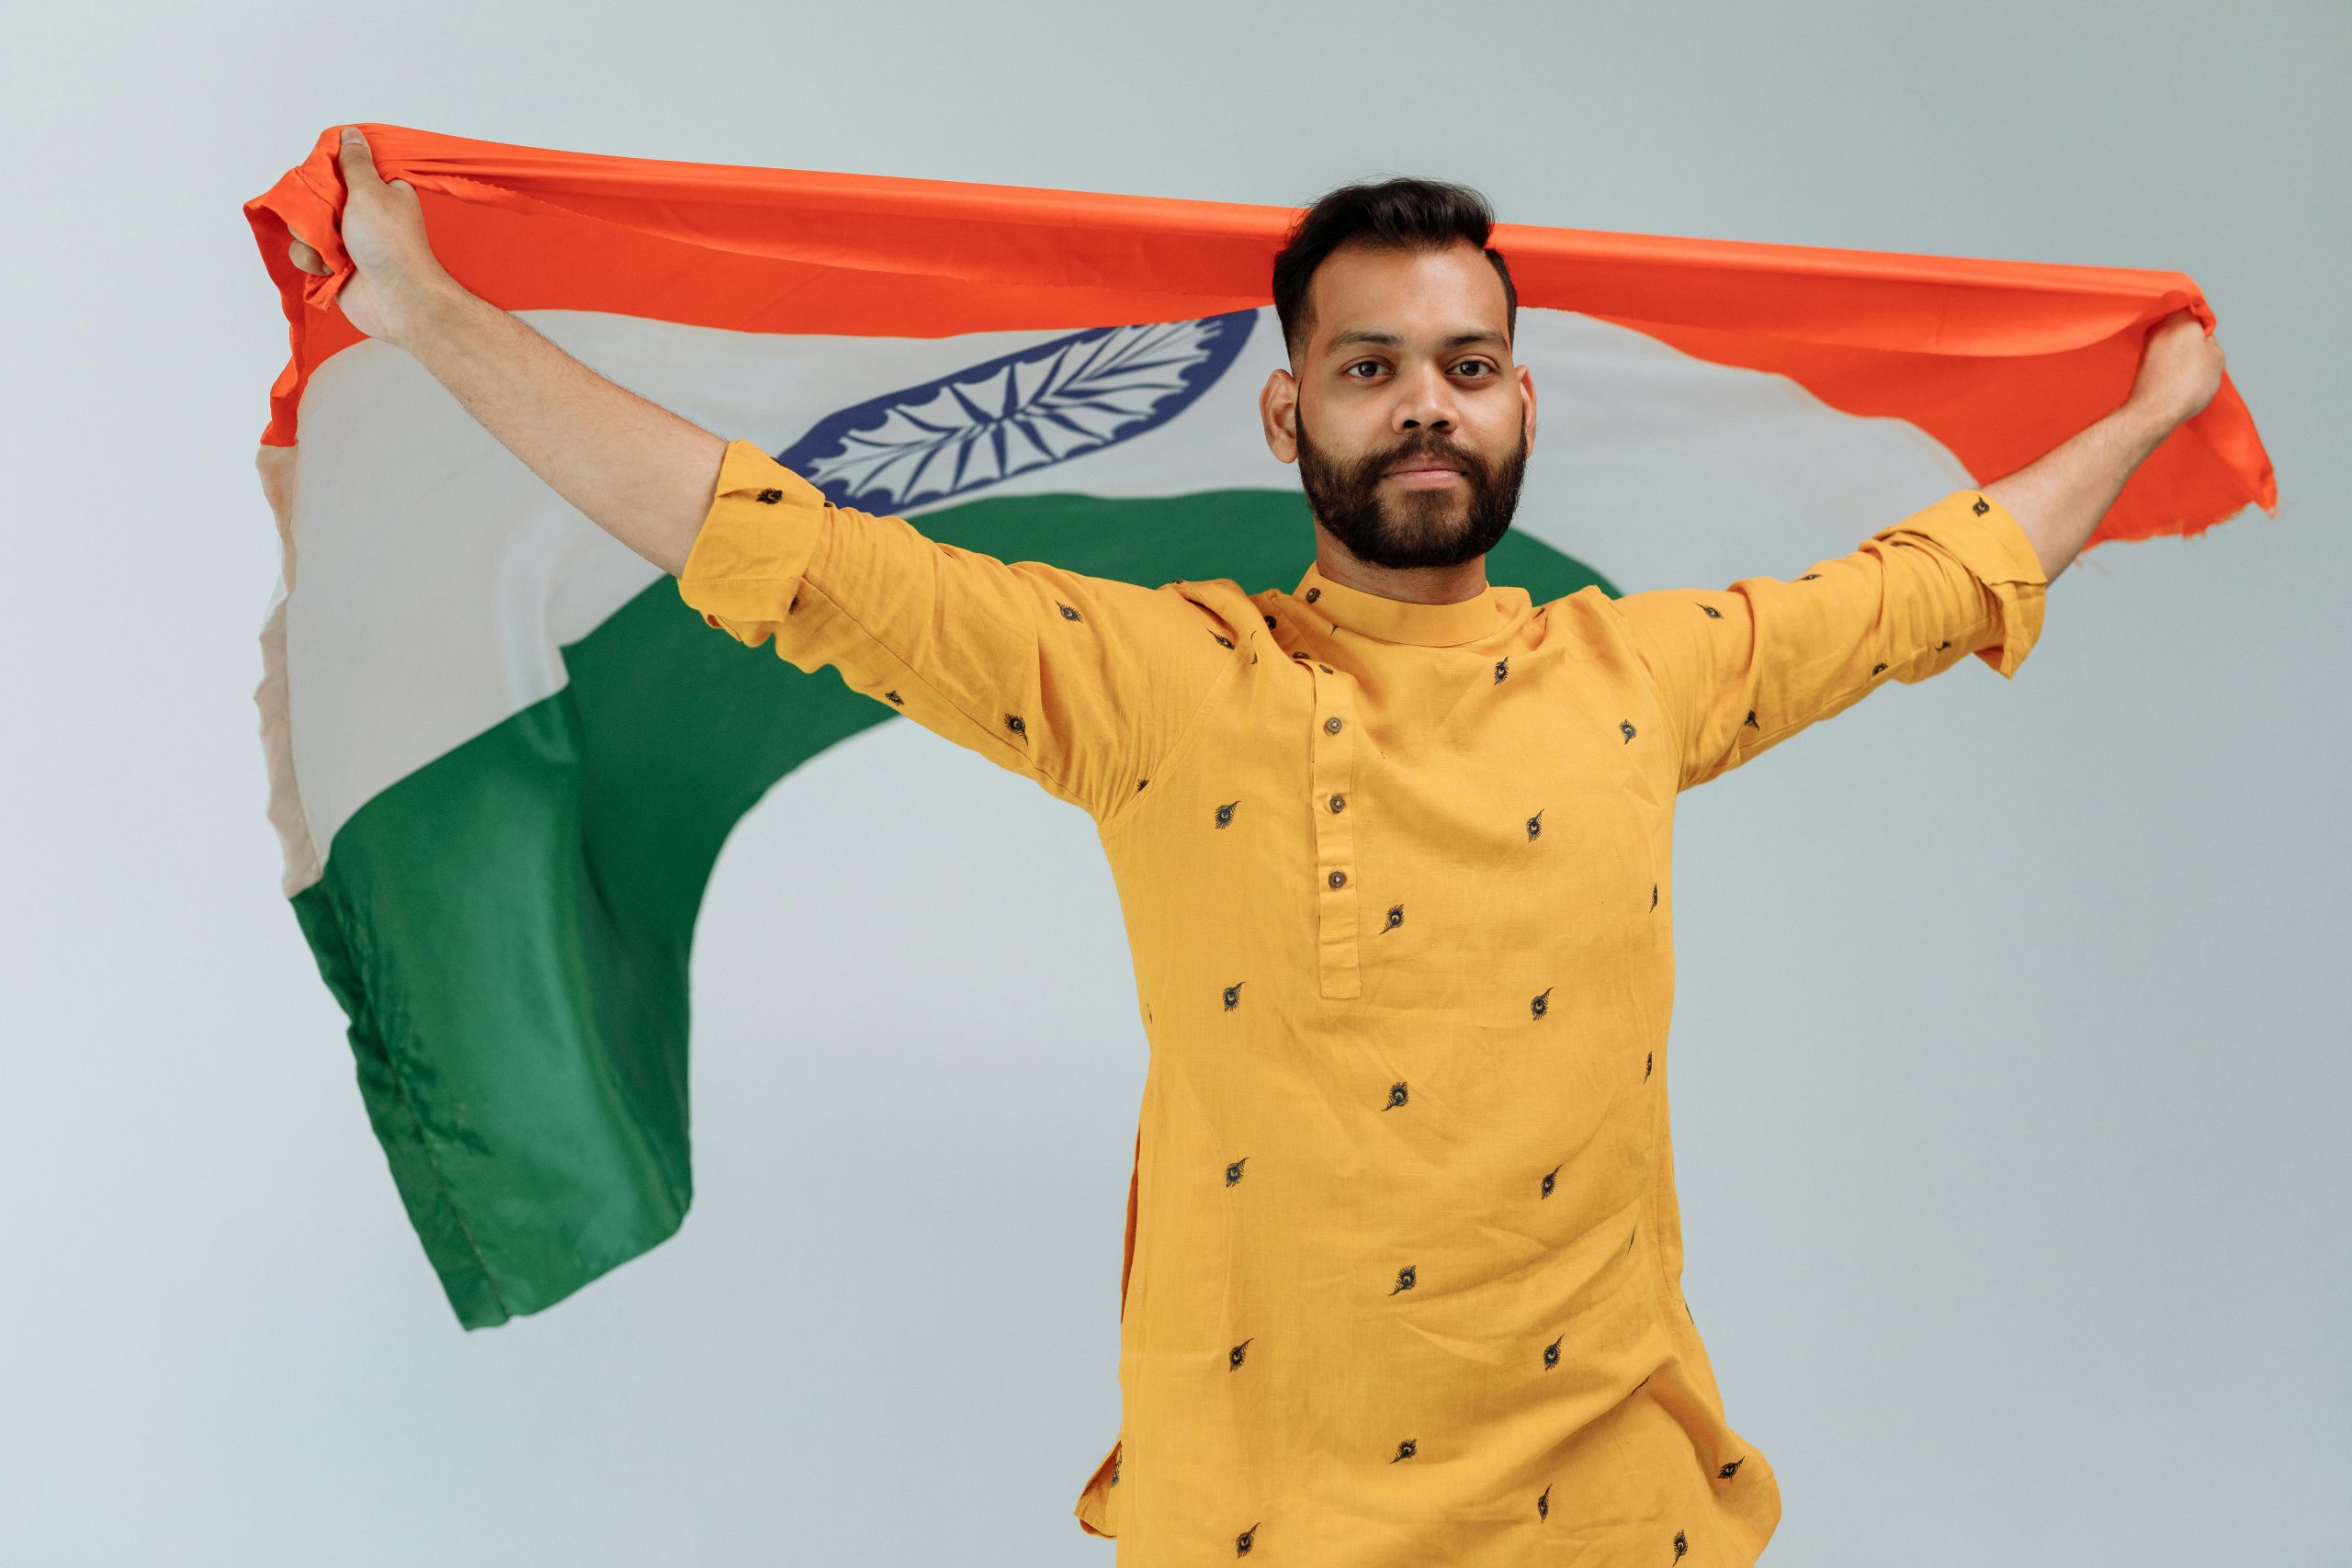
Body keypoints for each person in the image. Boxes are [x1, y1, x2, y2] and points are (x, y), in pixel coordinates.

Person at [288, 128, 2224, 1566]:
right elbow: (783, 551)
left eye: (1463, 364)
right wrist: (439, 320)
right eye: (1371, 368)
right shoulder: (1156, 682)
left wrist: (2150, 409)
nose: (1422, 407)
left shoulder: (1643, 674)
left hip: (1618, 1519)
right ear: (1291, 408)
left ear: (1520, 403)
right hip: (1261, 1525)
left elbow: (1936, 581)